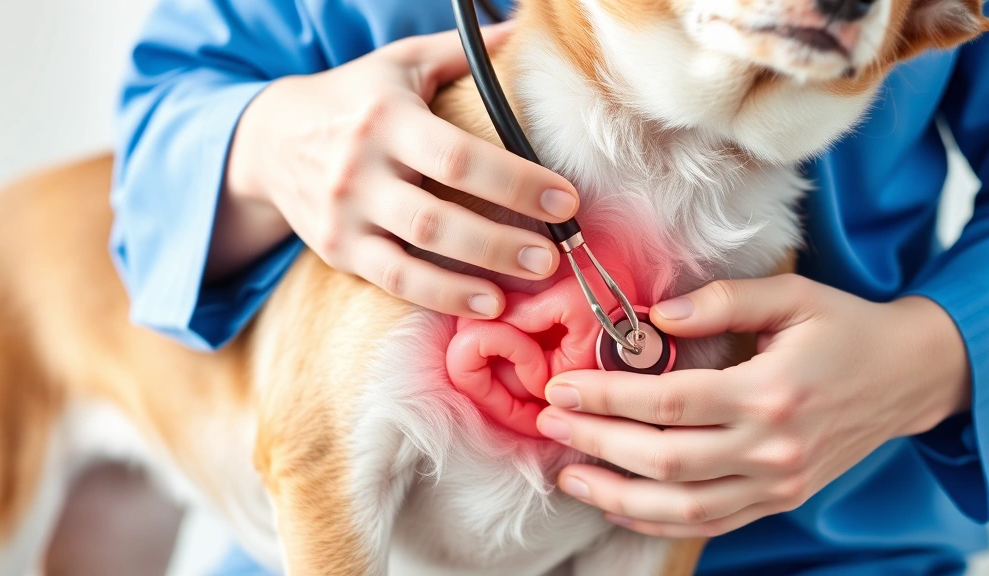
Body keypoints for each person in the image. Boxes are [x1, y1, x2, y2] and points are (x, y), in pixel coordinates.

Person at [112, 0, 989, 574]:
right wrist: (267, 144)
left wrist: (938, 352)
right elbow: (165, 118)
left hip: (844, 541)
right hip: (337, 537)